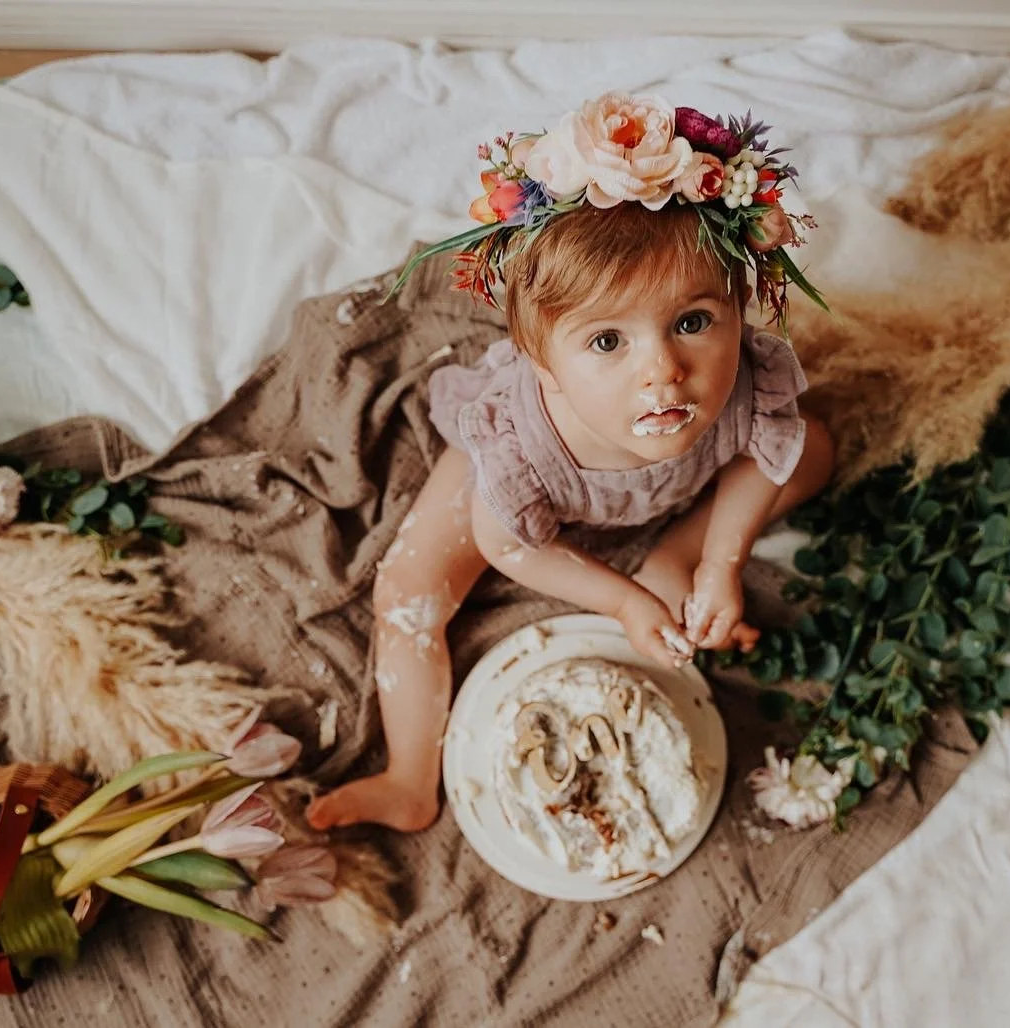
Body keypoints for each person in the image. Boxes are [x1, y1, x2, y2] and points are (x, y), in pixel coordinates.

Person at [306, 92, 833, 832]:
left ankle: (672, 555)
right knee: (408, 591)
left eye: (692, 322)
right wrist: (620, 601)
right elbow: (509, 544)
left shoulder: (745, 381)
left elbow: (768, 459)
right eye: (608, 342)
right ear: (543, 364)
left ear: (738, 313)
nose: (663, 371)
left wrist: (719, 560)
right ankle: (410, 780)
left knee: (813, 448)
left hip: (666, 495)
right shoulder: (517, 448)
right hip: (544, 485)